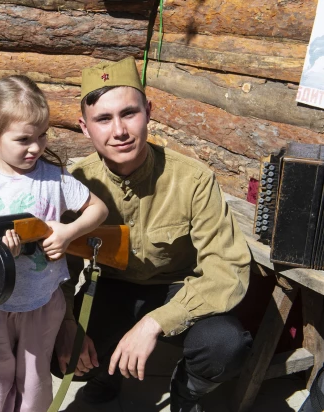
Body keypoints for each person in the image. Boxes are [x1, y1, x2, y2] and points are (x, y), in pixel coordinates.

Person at [53, 57, 253, 412]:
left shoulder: (192, 179)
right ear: (85, 128)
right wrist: (67, 321)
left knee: (226, 345)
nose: (120, 131)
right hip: (113, 288)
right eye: (103, 119)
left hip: (181, 287)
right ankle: (106, 374)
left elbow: (227, 269)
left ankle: (188, 389)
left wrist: (155, 322)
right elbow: (58, 272)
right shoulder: (74, 183)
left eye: (129, 113)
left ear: (148, 111)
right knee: (60, 351)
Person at [0, 75, 108, 412]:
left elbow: (98, 209)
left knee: (35, 387)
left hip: (42, 301)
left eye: (42, 135)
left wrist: (67, 233)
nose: (36, 147)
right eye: (24, 139)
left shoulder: (54, 179)